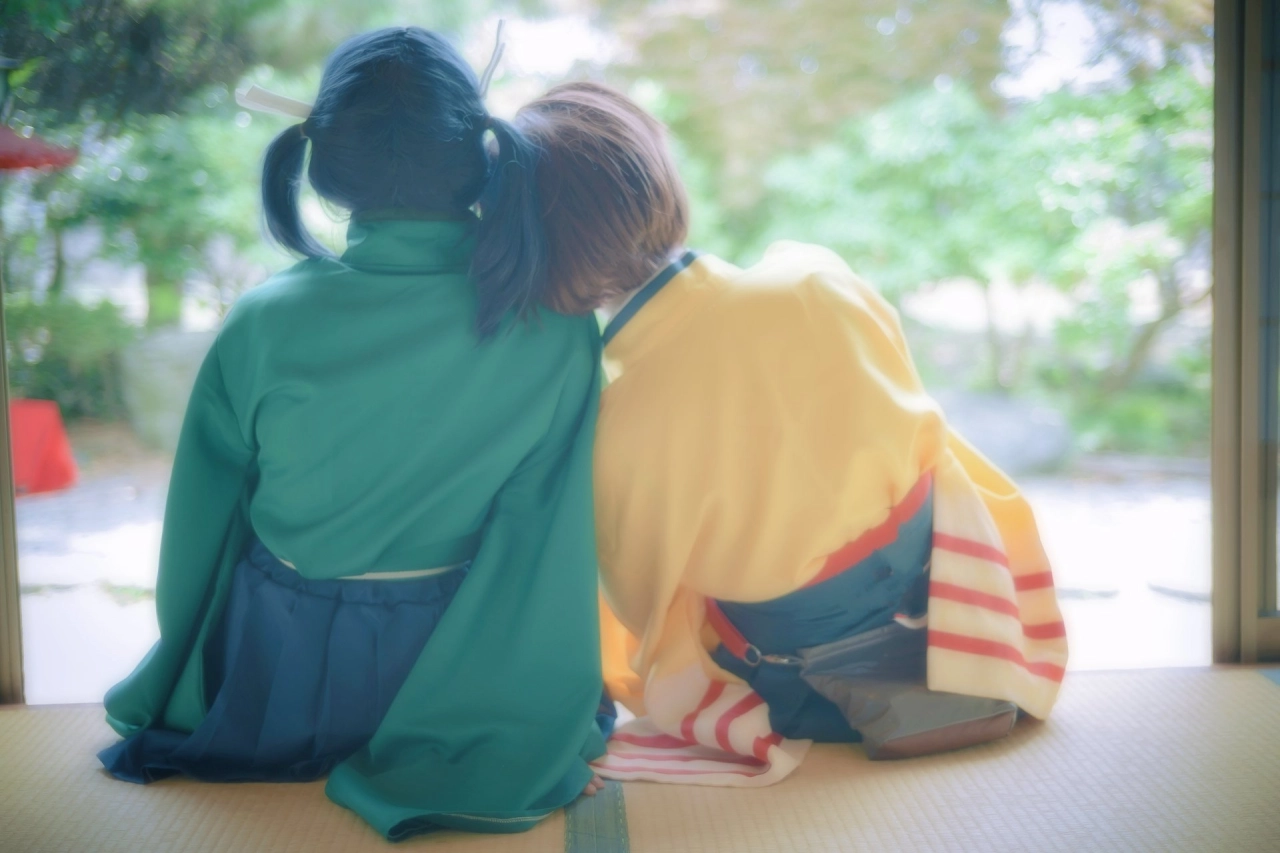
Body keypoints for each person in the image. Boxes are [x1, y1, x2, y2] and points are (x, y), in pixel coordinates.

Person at [97, 29, 606, 838]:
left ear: (323, 164)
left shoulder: (264, 320)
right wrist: (543, 703)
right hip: (456, 679)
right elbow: (549, 540)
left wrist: (183, 673)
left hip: (271, 675)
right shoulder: (554, 326)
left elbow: (203, 521)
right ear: (481, 157)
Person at [514, 82, 1069, 785]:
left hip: (795, 666)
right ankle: (950, 664)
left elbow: (644, 604)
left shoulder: (614, 425)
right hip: (942, 589)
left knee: (676, 602)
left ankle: (851, 686)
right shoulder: (813, 277)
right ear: (655, 177)